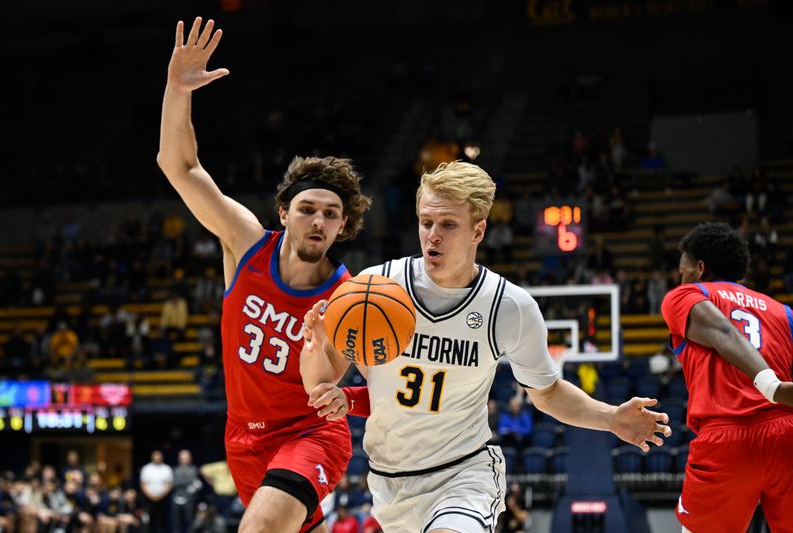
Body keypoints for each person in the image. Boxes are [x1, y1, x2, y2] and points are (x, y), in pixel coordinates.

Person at [304, 161, 671, 532]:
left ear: (478, 230)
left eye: (448, 225)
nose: (433, 236)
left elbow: (547, 393)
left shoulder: (509, 306)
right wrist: (318, 345)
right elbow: (320, 383)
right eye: (426, 222)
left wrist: (610, 418)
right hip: (389, 478)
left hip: (463, 474)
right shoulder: (376, 286)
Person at [156, 17, 371, 533]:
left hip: (309, 435)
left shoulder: (349, 298)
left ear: (342, 227)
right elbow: (179, 166)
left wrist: (319, 344)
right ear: (283, 212)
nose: (317, 220)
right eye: (307, 208)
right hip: (242, 438)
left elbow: (324, 391)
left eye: (330, 214)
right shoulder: (245, 243)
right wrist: (176, 90)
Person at [660, 222, 793, 533]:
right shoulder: (783, 312)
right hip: (786, 436)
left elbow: (723, 332)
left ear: (700, 268)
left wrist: (767, 383)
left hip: (726, 437)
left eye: (683, 269)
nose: (681, 277)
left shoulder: (686, 295)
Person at [140, 450, 173, 533]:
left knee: (160, 521)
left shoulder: (167, 469)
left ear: (161, 458)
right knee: (146, 521)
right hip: (148, 499)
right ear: (152, 458)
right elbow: (143, 484)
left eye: (159, 457)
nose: (157, 459)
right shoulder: (146, 468)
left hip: (162, 499)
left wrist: (160, 496)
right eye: (155, 457)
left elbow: (169, 484)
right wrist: (151, 496)